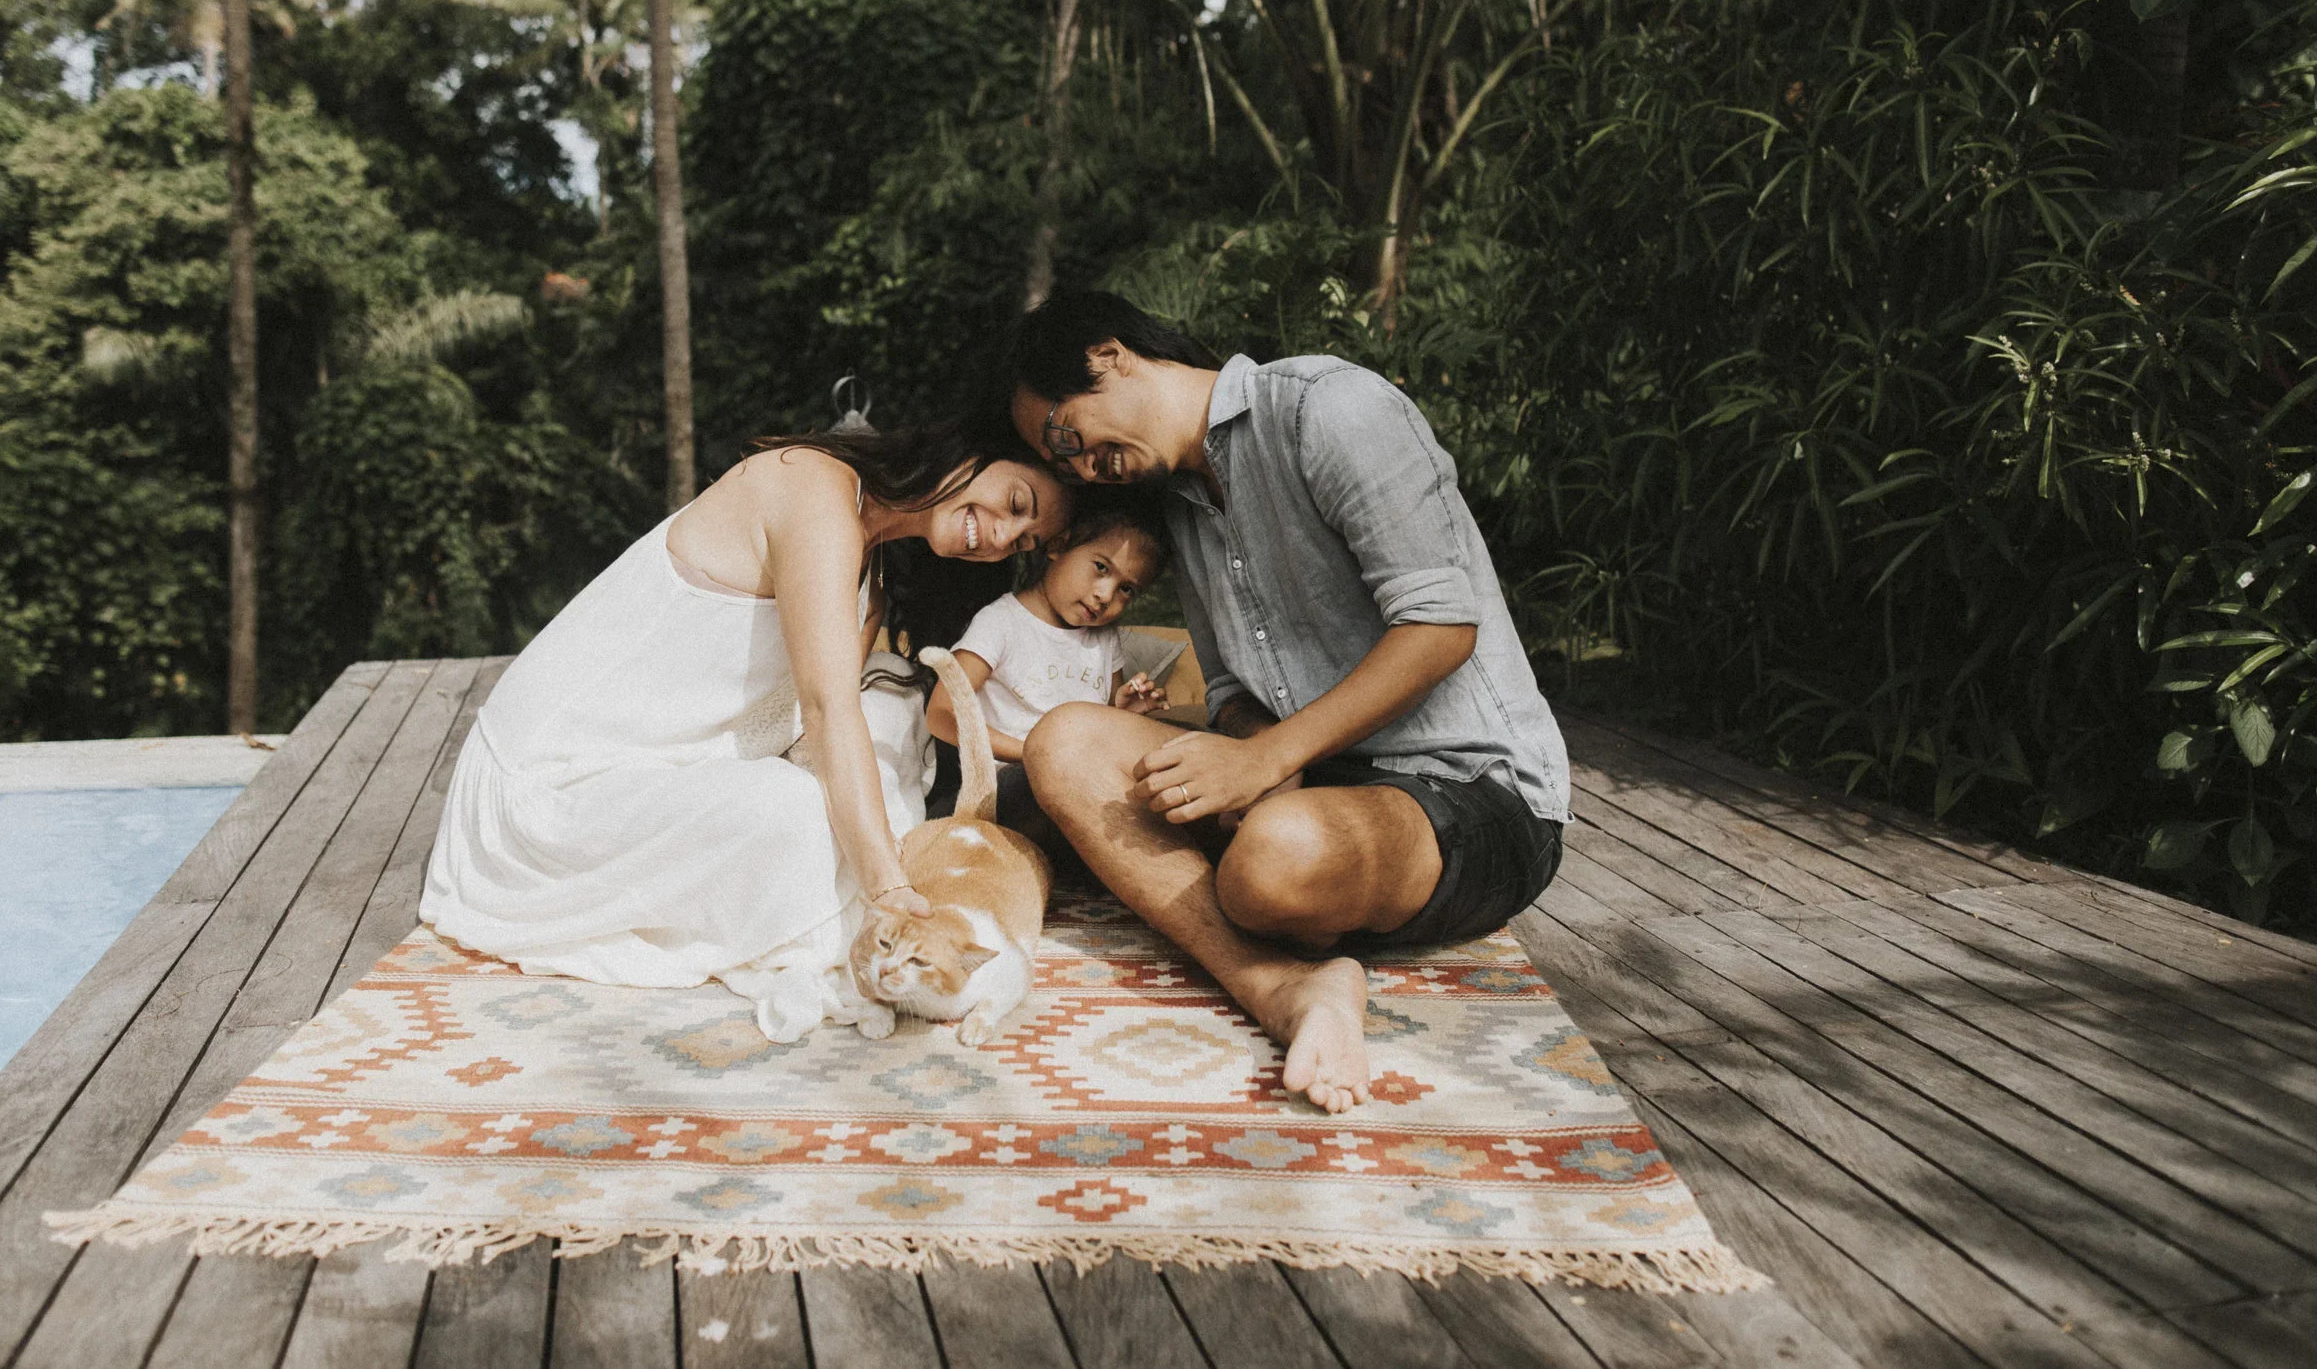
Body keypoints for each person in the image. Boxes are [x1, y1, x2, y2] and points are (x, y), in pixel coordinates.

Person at [998, 293, 1572, 1114]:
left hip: (1476, 788)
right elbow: (1232, 692)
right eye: (1065, 465)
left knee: (1271, 860)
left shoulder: (1329, 410)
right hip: (1318, 785)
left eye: (1068, 437)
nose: (1083, 469)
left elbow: (1442, 627)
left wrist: (1268, 760)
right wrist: (1256, 755)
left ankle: (1290, 906)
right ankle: (1285, 988)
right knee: (1063, 744)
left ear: (1109, 354)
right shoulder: (1183, 513)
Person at [420, 424, 1073, 1043]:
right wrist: (888, 886)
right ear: (972, 453)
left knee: (875, 792)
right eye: (1017, 502)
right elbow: (825, 711)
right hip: (553, 783)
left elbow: (823, 728)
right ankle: (808, 940)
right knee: (814, 820)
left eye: (1021, 541)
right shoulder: (816, 490)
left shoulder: (873, 567)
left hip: (667, 769)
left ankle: (815, 918)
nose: (1002, 534)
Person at [926, 495, 1174, 768]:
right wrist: (1033, 754)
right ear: (1059, 545)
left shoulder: (1103, 638)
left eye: (1126, 589)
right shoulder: (1000, 623)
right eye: (1101, 567)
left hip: (1082, 776)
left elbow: (1102, 725)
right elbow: (941, 715)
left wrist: (1124, 714)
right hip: (1012, 777)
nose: (1105, 596)